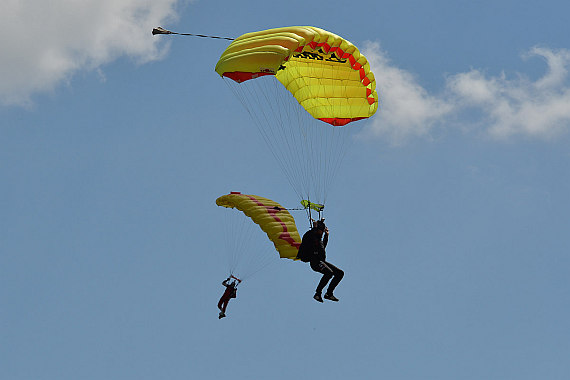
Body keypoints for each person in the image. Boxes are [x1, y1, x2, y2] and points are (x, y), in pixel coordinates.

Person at [299, 219, 344, 302]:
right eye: (321, 231)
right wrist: (314, 228)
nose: (322, 233)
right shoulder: (310, 235)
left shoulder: (318, 239)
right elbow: (308, 238)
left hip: (321, 261)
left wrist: (326, 235)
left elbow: (322, 247)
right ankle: (317, 293)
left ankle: (329, 294)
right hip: (315, 262)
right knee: (329, 273)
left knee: (340, 273)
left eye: (323, 232)